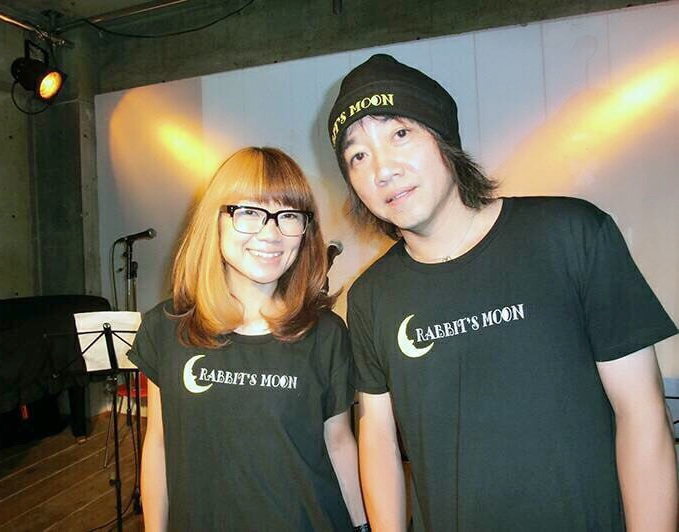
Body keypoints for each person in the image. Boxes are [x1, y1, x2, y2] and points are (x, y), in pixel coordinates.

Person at [327, 54, 678, 531]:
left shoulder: (571, 235)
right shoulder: (371, 296)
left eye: (400, 134)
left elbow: (642, 413)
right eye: (358, 156)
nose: (382, 170)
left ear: (445, 139)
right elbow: (377, 436)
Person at [129, 147, 368, 531]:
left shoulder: (326, 335)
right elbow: (158, 442)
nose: (271, 233)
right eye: (250, 212)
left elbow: (338, 443)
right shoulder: (166, 328)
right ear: (216, 220)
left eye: (289, 215)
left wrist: (363, 527)